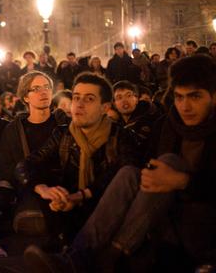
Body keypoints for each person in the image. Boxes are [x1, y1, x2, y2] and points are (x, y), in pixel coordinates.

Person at [25, 54, 216, 272]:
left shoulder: (120, 136)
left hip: (200, 216)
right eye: (180, 97)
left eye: (195, 97)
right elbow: (29, 165)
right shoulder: (167, 125)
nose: (185, 106)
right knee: (129, 174)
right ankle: (75, 258)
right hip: (152, 209)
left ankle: (109, 255)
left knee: (168, 162)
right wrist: (47, 190)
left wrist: (182, 181)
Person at [23, 72, 139, 248]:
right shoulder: (63, 134)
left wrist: (82, 195)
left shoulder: (121, 136)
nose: (79, 104)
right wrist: (43, 189)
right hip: (69, 208)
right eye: (76, 98)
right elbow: (27, 164)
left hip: (107, 210)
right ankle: (62, 246)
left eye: (89, 99)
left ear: (105, 107)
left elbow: (122, 174)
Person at [0, 72, 69, 234]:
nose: (43, 92)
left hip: (63, 187)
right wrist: (36, 187)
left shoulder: (64, 125)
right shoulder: (13, 131)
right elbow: (8, 170)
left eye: (47, 87)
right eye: (35, 89)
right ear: (25, 97)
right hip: (30, 190)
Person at [112, 81, 161, 146]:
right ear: (114, 104)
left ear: (137, 99)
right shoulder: (115, 124)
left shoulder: (149, 120)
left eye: (128, 95)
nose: (124, 100)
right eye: (119, 97)